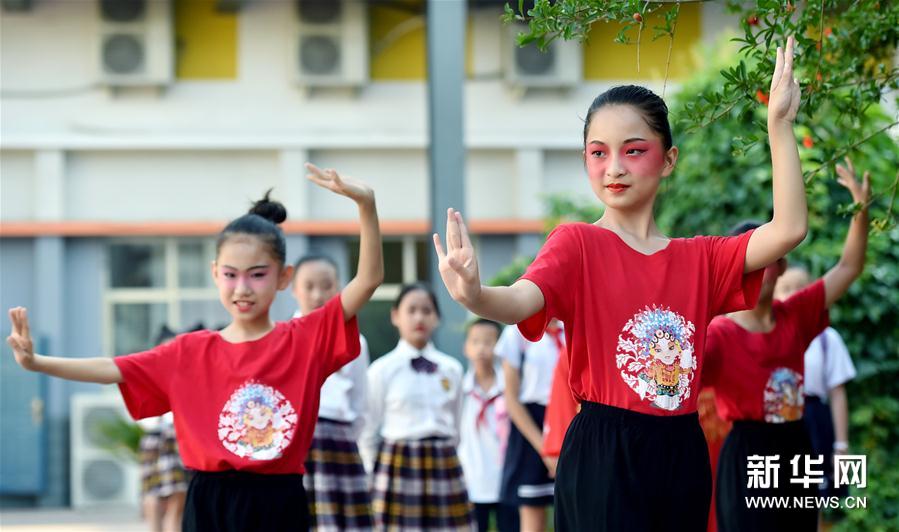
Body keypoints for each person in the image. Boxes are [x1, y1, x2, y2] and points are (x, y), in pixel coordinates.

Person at [432, 37, 807, 531]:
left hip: (681, 449)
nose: (614, 168)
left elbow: (788, 230)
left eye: (633, 151)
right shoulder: (576, 244)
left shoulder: (701, 258)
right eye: (598, 152)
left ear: (668, 159)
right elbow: (522, 299)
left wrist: (779, 126)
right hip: (604, 449)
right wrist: (475, 294)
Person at [6, 164, 384, 531]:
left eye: (257, 275)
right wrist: (37, 362)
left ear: (284, 278)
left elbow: (368, 280)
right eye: (230, 275)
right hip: (208, 501)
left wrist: (366, 205)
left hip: (279, 499)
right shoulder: (188, 351)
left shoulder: (305, 339)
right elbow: (113, 368)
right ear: (214, 273)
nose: (242, 288)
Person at [704, 159, 869, 532]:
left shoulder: (795, 314)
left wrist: (860, 213)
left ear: (781, 266)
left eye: (770, 261)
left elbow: (848, 268)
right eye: (751, 262)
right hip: (748, 455)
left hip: (796, 444)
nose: (761, 271)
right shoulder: (718, 333)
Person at [360, 283, 474, 531]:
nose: (419, 317)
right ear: (395, 316)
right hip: (398, 462)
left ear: (437, 318)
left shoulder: (452, 369)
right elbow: (368, 427)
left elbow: (458, 425)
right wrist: (372, 472)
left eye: (426, 310)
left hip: (444, 460)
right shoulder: (382, 370)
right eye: (411, 310)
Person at [290, 253, 373, 531]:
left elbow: (361, 405)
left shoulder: (355, 340)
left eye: (326, 285)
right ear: (293, 288)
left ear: (339, 287)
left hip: (340, 442)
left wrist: (347, 440)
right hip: (295, 444)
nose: (317, 294)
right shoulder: (283, 336)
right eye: (309, 286)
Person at [775, 265, 856, 504]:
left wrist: (841, 445)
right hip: (776, 420)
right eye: (785, 289)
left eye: (800, 289)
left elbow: (838, 393)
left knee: (813, 499)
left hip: (814, 421)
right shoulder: (764, 334)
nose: (791, 295)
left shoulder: (827, 338)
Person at [494, 320, 564, 531]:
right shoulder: (517, 332)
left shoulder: (574, 325)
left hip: (570, 420)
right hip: (531, 426)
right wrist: (546, 449)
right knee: (532, 511)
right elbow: (512, 399)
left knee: (578, 508)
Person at [458, 318, 519, 532]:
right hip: (471, 480)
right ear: (466, 347)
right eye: (475, 341)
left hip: (507, 478)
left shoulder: (511, 390)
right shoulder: (461, 390)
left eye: (489, 342)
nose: (482, 348)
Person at [137, 325, 190, 532]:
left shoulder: (184, 377)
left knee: (177, 500)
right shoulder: (151, 376)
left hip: (174, 439)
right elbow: (142, 416)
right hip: (157, 440)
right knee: (153, 497)